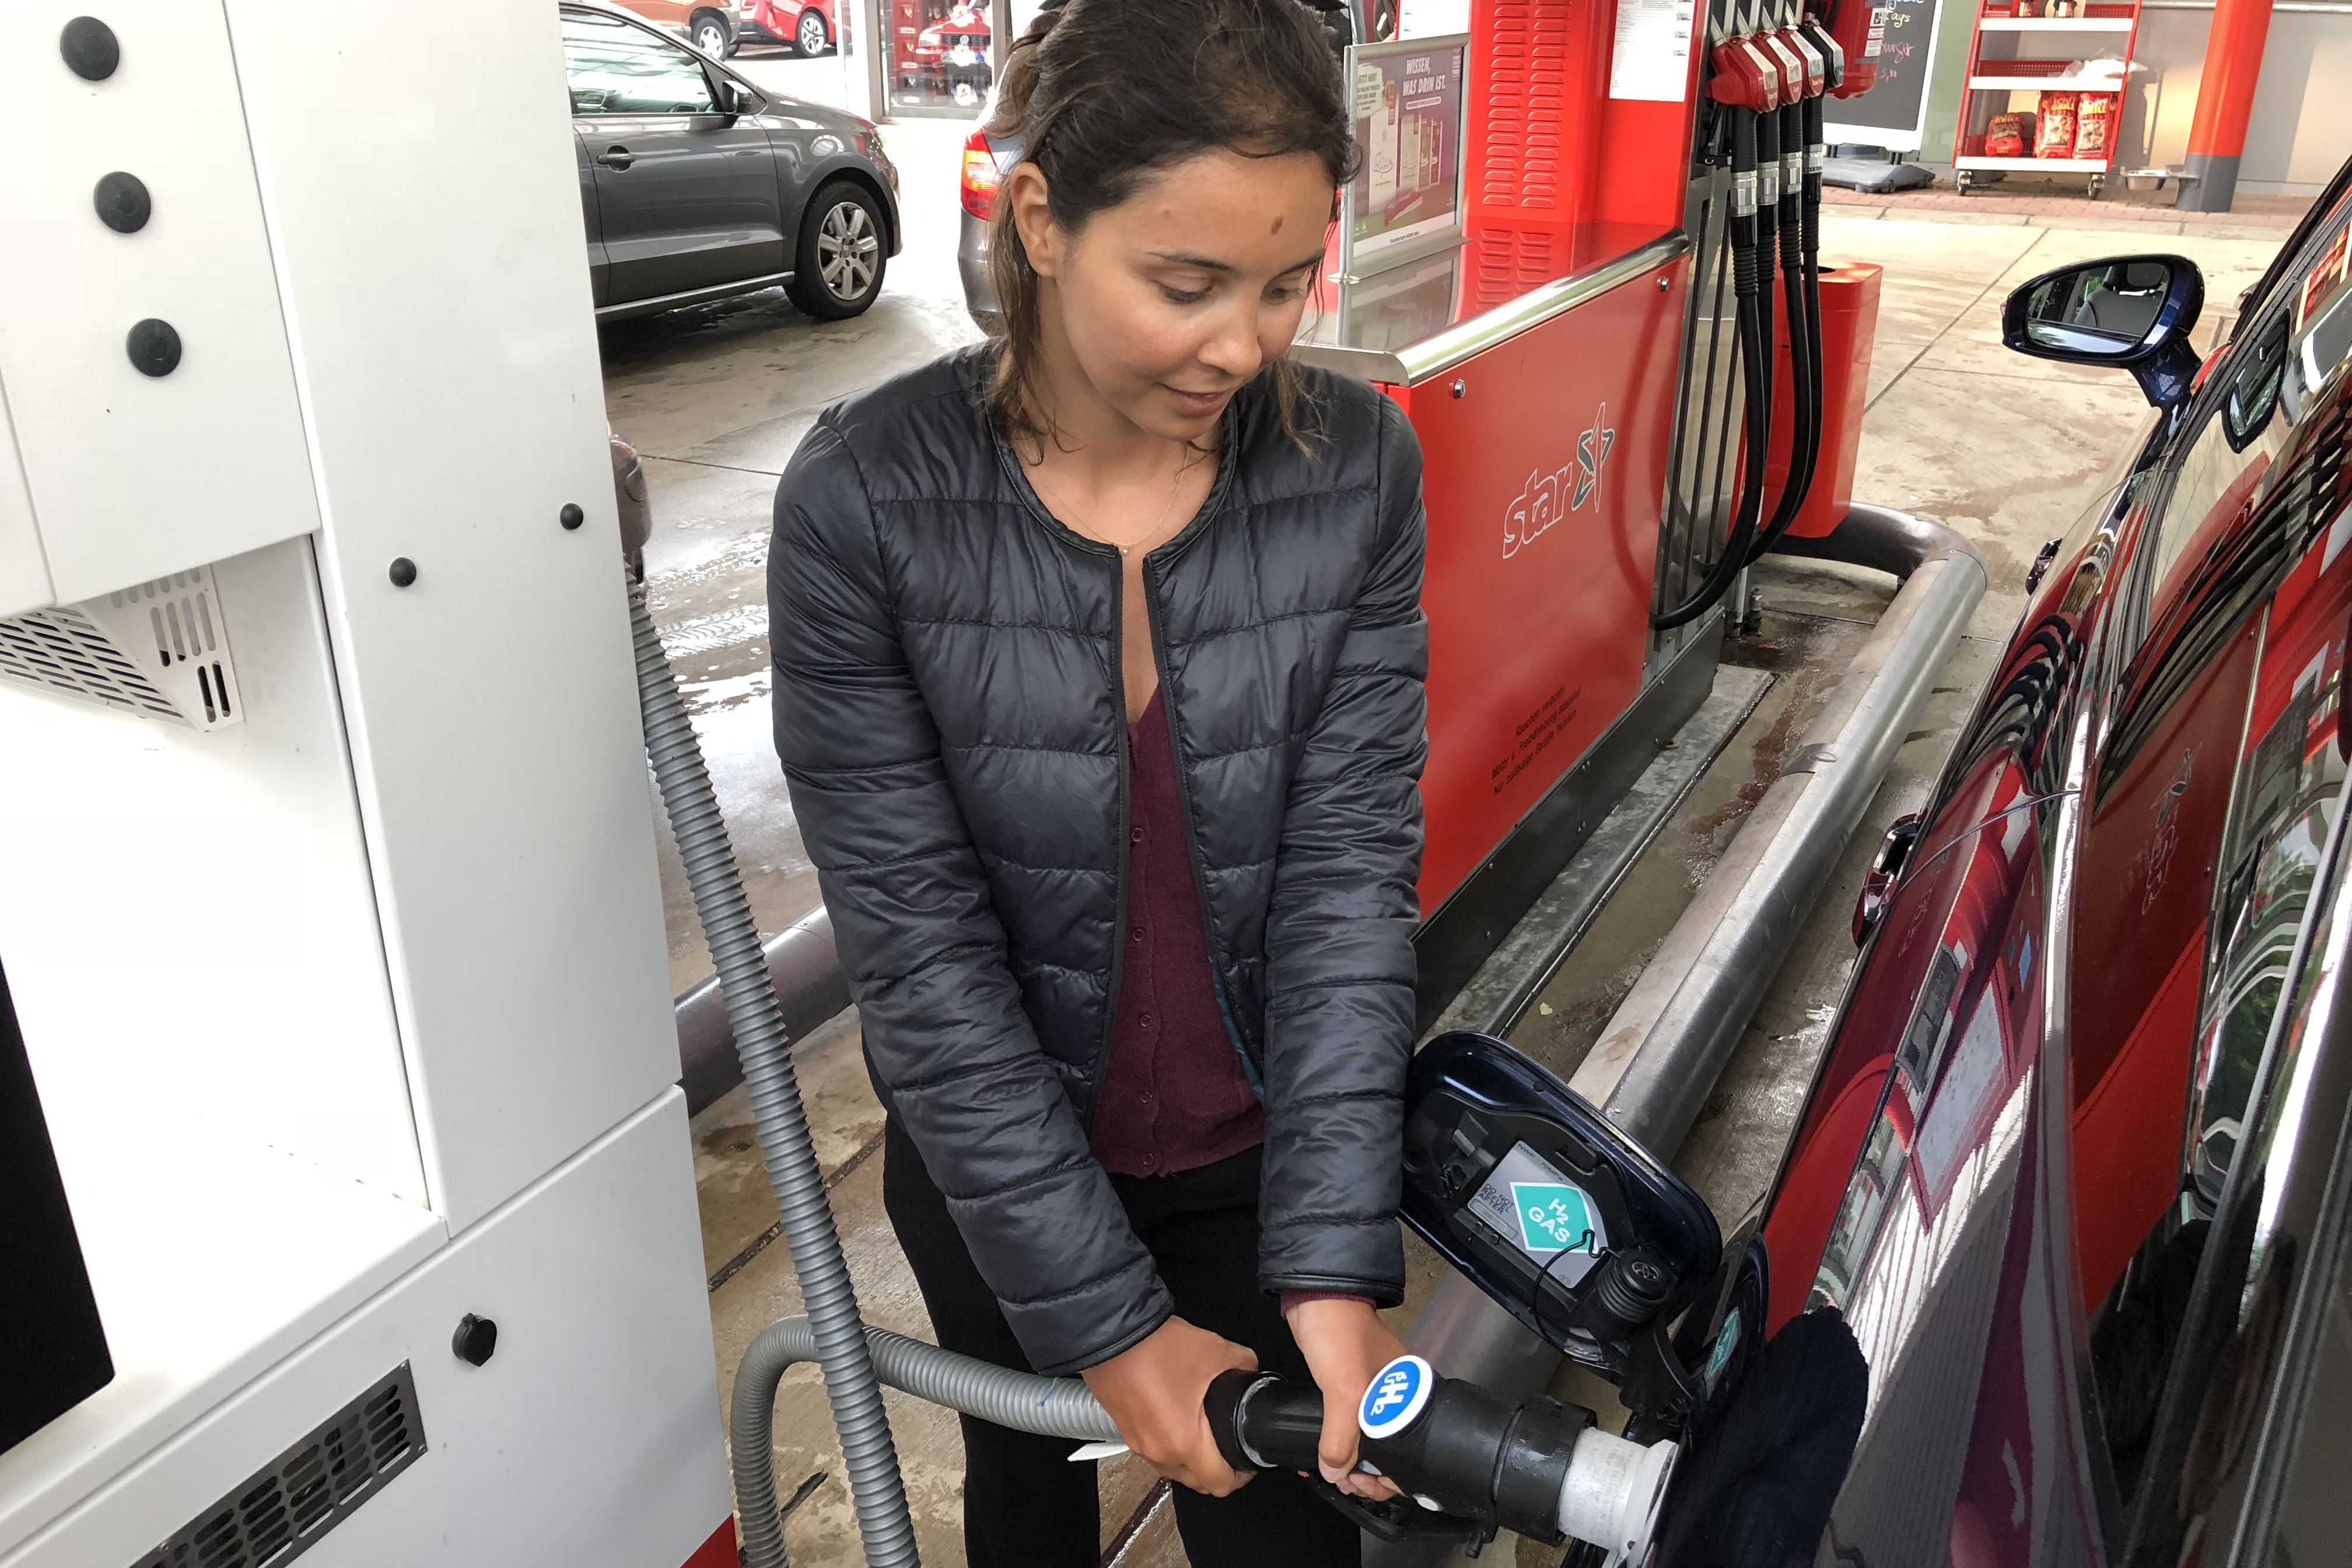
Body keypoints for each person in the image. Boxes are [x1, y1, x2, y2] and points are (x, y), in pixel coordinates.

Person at [766, 0, 1428, 1560]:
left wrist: (1331, 1262)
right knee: (1031, 1509)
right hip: (999, 1169)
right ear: (1044, 220)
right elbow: (921, 959)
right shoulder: (867, 504)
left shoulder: (1352, 470)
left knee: (1291, 1539)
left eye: (1287, 281)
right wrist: (1109, 1327)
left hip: (1258, 1162)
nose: (1246, 345)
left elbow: (1348, 885)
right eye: (1187, 285)